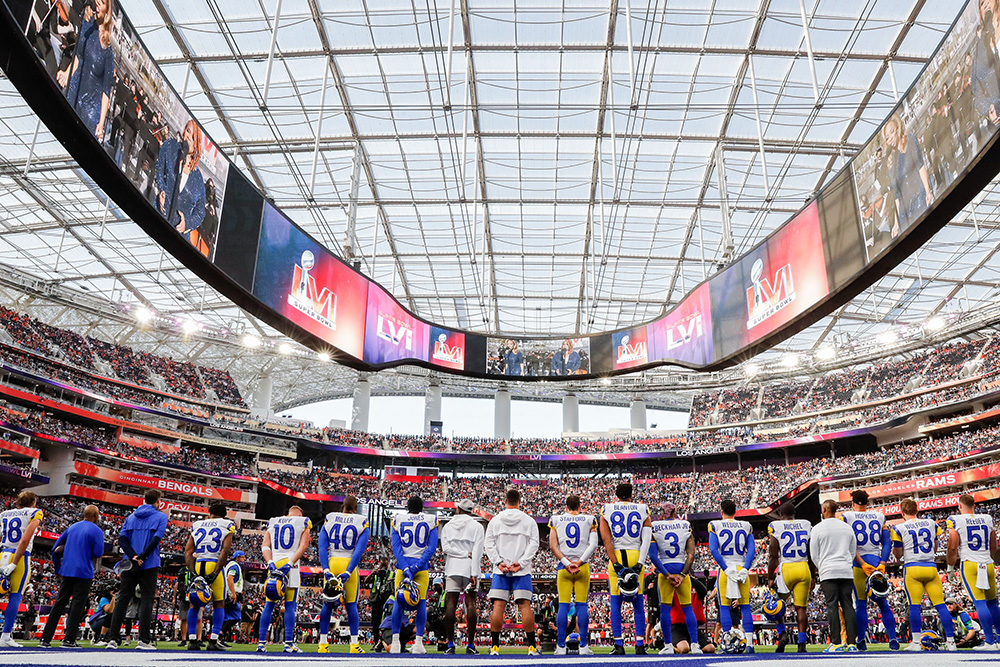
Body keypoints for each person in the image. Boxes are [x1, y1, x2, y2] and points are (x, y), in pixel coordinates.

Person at [891, 498, 956, 651]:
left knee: (914, 606)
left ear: (902, 512)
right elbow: (934, 548)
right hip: (931, 567)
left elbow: (898, 555)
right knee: (941, 606)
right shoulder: (931, 523)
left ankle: (915, 642)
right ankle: (951, 642)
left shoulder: (899, 528)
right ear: (917, 510)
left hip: (912, 568)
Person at [105, 488, 167, 650]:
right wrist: (142, 557)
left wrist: (133, 556)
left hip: (129, 563)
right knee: (146, 599)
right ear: (158, 501)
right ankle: (144, 640)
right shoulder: (161, 516)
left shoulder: (131, 517)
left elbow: (122, 539)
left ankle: (112, 638)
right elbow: (155, 539)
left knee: (122, 599)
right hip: (149, 563)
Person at [39, 504, 105, 648]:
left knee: (59, 604)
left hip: (67, 570)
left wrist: (57, 567)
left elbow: (55, 549)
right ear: (96, 516)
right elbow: (98, 553)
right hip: (83, 572)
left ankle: (45, 639)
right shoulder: (97, 530)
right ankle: (69, 639)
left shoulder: (72, 527)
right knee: (77, 605)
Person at [840, 489, 899, 650]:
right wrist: (883, 563)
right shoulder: (879, 516)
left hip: (859, 563)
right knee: (883, 603)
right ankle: (893, 638)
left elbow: (848, 544)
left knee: (860, 604)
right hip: (876, 561)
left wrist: (860, 562)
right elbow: (887, 543)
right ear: (867, 503)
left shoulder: (846, 517)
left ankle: (861, 641)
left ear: (853, 503)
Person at [485, 488, 539, 656]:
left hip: (500, 570)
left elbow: (489, 544)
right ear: (520, 501)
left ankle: (494, 647)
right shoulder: (529, 520)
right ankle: (531, 647)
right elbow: (534, 544)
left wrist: (499, 562)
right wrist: (521, 563)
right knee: (525, 606)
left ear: (505, 501)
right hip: (521, 571)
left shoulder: (496, 520)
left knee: (498, 606)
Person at [599, 482, 652, 655]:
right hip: (636, 554)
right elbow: (647, 539)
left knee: (616, 602)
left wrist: (614, 563)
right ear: (631, 494)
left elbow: (607, 541)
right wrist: (640, 563)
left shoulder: (607, 509)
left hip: (617, 554)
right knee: (638, 603)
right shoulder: (643, 509)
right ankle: (639, 644)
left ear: (616, 494)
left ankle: (619, 645)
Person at [946, 493, 1000, 650]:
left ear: (960, 506)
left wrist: (950, 567)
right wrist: (988, 558)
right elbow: (993, 544)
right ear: (974, 506)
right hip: (987, 563)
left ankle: (989, 641)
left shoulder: (955, 520)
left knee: (980, 603)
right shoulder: (987, 518)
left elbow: (953, 546)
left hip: (970, 564)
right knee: (992, 604)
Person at [318, 495, 370, 653]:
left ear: (342, 507)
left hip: (333, 562)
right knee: (351, 605)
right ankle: (354, 645)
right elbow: (359, 551)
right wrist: (348, 571)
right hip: (349, 564)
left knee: (327, 604)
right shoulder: (361, 522)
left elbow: (321, 547)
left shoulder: (330, 518)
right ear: (355, 509)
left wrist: (326, 569)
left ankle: (322, 644)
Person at [257, 505, 312, 653]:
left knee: (269, 605)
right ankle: (288, 643)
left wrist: (270, 563)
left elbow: (265, 546)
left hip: (275, 564)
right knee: (290, 606)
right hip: (290, 566)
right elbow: (303, 546)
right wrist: (289, 563)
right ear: (300, 514)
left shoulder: (274, 521)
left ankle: (261, 643)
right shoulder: (303, 522)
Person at [548, 494, 598, 655]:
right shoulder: (589, 519)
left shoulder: (556, 519)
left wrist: (567, 563)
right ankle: (583, 646)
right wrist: (580, 562)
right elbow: (594, 544)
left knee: (563, 605)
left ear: (566, 506)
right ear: (580, 506)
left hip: (564, 568)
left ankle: (561, 646)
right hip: (582, 567)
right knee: (582, 605)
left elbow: (553, 545)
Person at [389, 496, 439, 654]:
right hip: (421, 567)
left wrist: (405, 568)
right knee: (421, 603)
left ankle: (395, 642)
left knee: (398, 603)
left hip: (402, 567)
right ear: (422, 507)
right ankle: (418, 643)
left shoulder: (398, 520)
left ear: (407, 507)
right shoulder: (430, 520)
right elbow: (431, 548)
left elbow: (396, 548)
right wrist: (417, 566)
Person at [649, 502, 700, 655]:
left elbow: (652, 556)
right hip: (681, 569)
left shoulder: (655, 526)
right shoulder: (685, 525)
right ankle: (695, 645)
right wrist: (683, 575)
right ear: (675, 512)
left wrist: (666, 574)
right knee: (688, 608)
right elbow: (691, 555)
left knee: (665, 609)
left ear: (662, 513)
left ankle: (669, 645)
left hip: (665, 570)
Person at [184, 502, 235, 651]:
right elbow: (225, 551)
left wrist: (193, 572)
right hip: (214, 563)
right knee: (219, 603)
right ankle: (213, 640)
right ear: (224, 514)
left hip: (199, 564)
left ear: (209, 513)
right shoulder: (227, 524)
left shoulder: (198, 524)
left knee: (194, 604)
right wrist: (216, 572)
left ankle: (192, 640)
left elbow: (188, 551)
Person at [810, 499, 859, 652]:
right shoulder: (846, 528)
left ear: (825, 510)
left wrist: (822, 566)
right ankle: (852, 643)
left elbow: (814, 554)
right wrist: (845, 563)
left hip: (828, 570)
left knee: (832, 606)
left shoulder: (817, 528)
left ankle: (837, 642)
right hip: (845, 570)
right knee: (848, 606)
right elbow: (852, 550)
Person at [62, 0, 114, 141]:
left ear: (107, 10)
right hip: (75, 90)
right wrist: (67, 73)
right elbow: (79, 57)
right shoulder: (86, 26)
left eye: (102, 2)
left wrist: (101, 122)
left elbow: (106, 90)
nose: (97, 4)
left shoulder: (108, 51)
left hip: (91, 109)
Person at [708, 499, 755, 653]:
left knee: (724, 608)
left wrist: (725, 568)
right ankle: (749, 644)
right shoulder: (746, 526)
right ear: (736, 511)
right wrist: (746, 569)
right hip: (741, 566)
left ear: (722, 512)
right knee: (746, 608)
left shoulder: (715, 525)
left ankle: (728, 645)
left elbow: (714, 550)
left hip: (726, 568)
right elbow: (752, 550)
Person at [440, 498, 485, 654]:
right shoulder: (477, 526)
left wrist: (459, 553)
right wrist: (473, 570)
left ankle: (450, 644)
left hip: (452, 567)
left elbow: (446, 548)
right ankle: (471, 645)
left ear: (458, 508)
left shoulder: (448, 526)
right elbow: (478, 552)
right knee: (471, 603)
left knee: (450, 604)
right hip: (469, 568)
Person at [766, 502, 811, 653]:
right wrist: (813, 574)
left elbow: (773, 555)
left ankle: (782, 634)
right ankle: (802, 643)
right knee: (801, 609)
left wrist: (770, 576)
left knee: (778, 605)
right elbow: (810, 552)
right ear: (795, 512)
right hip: (803, 567)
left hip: (786, 568)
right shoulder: (805, 524)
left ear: (780, 514)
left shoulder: (776, 526)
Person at [0, 491, 43, 648]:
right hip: (20, 556)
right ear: (33, 502)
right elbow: (25, 539)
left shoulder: (4, 513)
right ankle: (5, 636)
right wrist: (14, 562)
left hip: (2, 553)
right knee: (15, 596)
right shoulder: (35, 512)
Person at [155, 120, 207, 243]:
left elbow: (200, 212)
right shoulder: (170, 147)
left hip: (178, 235)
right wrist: (162, 189)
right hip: (157, 216)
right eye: (188, 131)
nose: (189, 137)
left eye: (193, 137)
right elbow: (159, 168)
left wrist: (187, 223)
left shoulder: (198, 177)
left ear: (197, 144)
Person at [882, 114, 932, 236]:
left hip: (919, 198)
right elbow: (897, 195)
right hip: (905, 212)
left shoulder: (910, 140)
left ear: (898, 129)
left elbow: (920, 165)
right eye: (887, 138)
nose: (890, 139)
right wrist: (896, 223)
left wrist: (928, 191)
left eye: (892, 133)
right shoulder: (891, 162)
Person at [669, 576, 715, 654]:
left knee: (710, 648)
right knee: (684, 649)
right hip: (677, 626)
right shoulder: (673, 588)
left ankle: (688, 646)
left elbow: (703, 589)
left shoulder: (695, 589)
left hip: (692, 627)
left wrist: (685, 576)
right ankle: (670, 646)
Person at [364, 556, 393, 651]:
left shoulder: (391, 574)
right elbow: (366, 582)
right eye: (382, 563)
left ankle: (385, 643)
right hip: (376, 601)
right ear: (380, 563)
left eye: (385, 563)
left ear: (388, 563)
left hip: (386, 601)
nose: (383, 565)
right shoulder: (376, 574)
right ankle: (376, 642)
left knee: (387, 623)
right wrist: (373, 573)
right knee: (375, 623)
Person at [220, 550, 246, 647]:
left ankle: (220, 638)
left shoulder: (231, 565)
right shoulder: (234, 566)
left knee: (227, 617)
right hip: (231, 594)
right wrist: (234, 593)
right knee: (236, 617)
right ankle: (220, 634)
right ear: (237, 557)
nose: (244, 559)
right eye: (242, 557)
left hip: (229, 593)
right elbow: (230, 578)